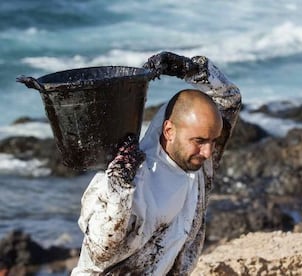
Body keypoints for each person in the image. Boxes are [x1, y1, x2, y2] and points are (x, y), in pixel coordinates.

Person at [71, 52, 241, 275]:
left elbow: (230, 99)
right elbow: (99, 252)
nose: (209, 152)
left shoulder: (197, 167)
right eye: (199, 141)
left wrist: (187, 68)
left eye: (213, 141)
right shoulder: (131, 181)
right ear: (169, 131)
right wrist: (119, 187)